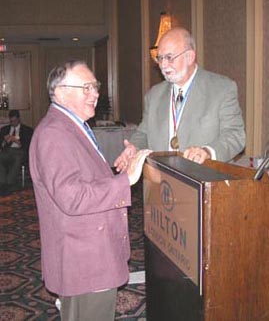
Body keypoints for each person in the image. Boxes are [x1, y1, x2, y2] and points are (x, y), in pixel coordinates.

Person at [29, 60, 151, 321]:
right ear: (61, 92)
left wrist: (115, 173)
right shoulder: (54, 133)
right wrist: (124, 181)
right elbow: (71, 197)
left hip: (86, 253)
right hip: (85, 258)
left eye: (95, 87)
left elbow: (83, 177)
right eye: (86, 88)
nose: (95, 94)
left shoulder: (71, 126)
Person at [114, 27, 245, 172]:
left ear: (189, 57)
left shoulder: (221, 89)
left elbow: (235, 135)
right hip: (161, 183)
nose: (163, 65)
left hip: (204, 182)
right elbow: (143, 133)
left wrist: (208, 152)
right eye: (160, 58)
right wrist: (134, 147)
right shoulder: (154, 95)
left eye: (169, 57)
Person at [0, 109, 33, 192]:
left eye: (14, 121)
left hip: (20, 151)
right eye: (11, 121)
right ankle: (2, 182)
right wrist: (4, 141)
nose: (13, 123)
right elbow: (1, 145)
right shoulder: (4, 130)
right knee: (1, 157)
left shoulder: (27, 130)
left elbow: (27, 146)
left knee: (17, 158)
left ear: (19, 119)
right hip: (8, 151)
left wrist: (16, 140)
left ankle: (9, 183)